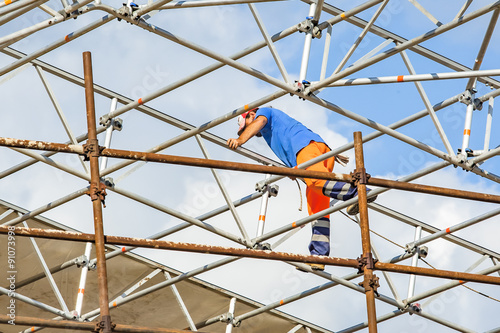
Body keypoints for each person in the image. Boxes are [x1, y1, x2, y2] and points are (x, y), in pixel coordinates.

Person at [227, 106, 375, 271]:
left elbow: (260, 121)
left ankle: (358, 192)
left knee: (316, 182)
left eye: (247, 126)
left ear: (251, 115)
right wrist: (295, 168)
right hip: (315, 151)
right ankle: (319, 254)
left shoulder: (264, 112)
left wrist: (240, 141)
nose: (250, 131)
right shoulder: (272, 131)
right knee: (317, 208)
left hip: (307, 148)